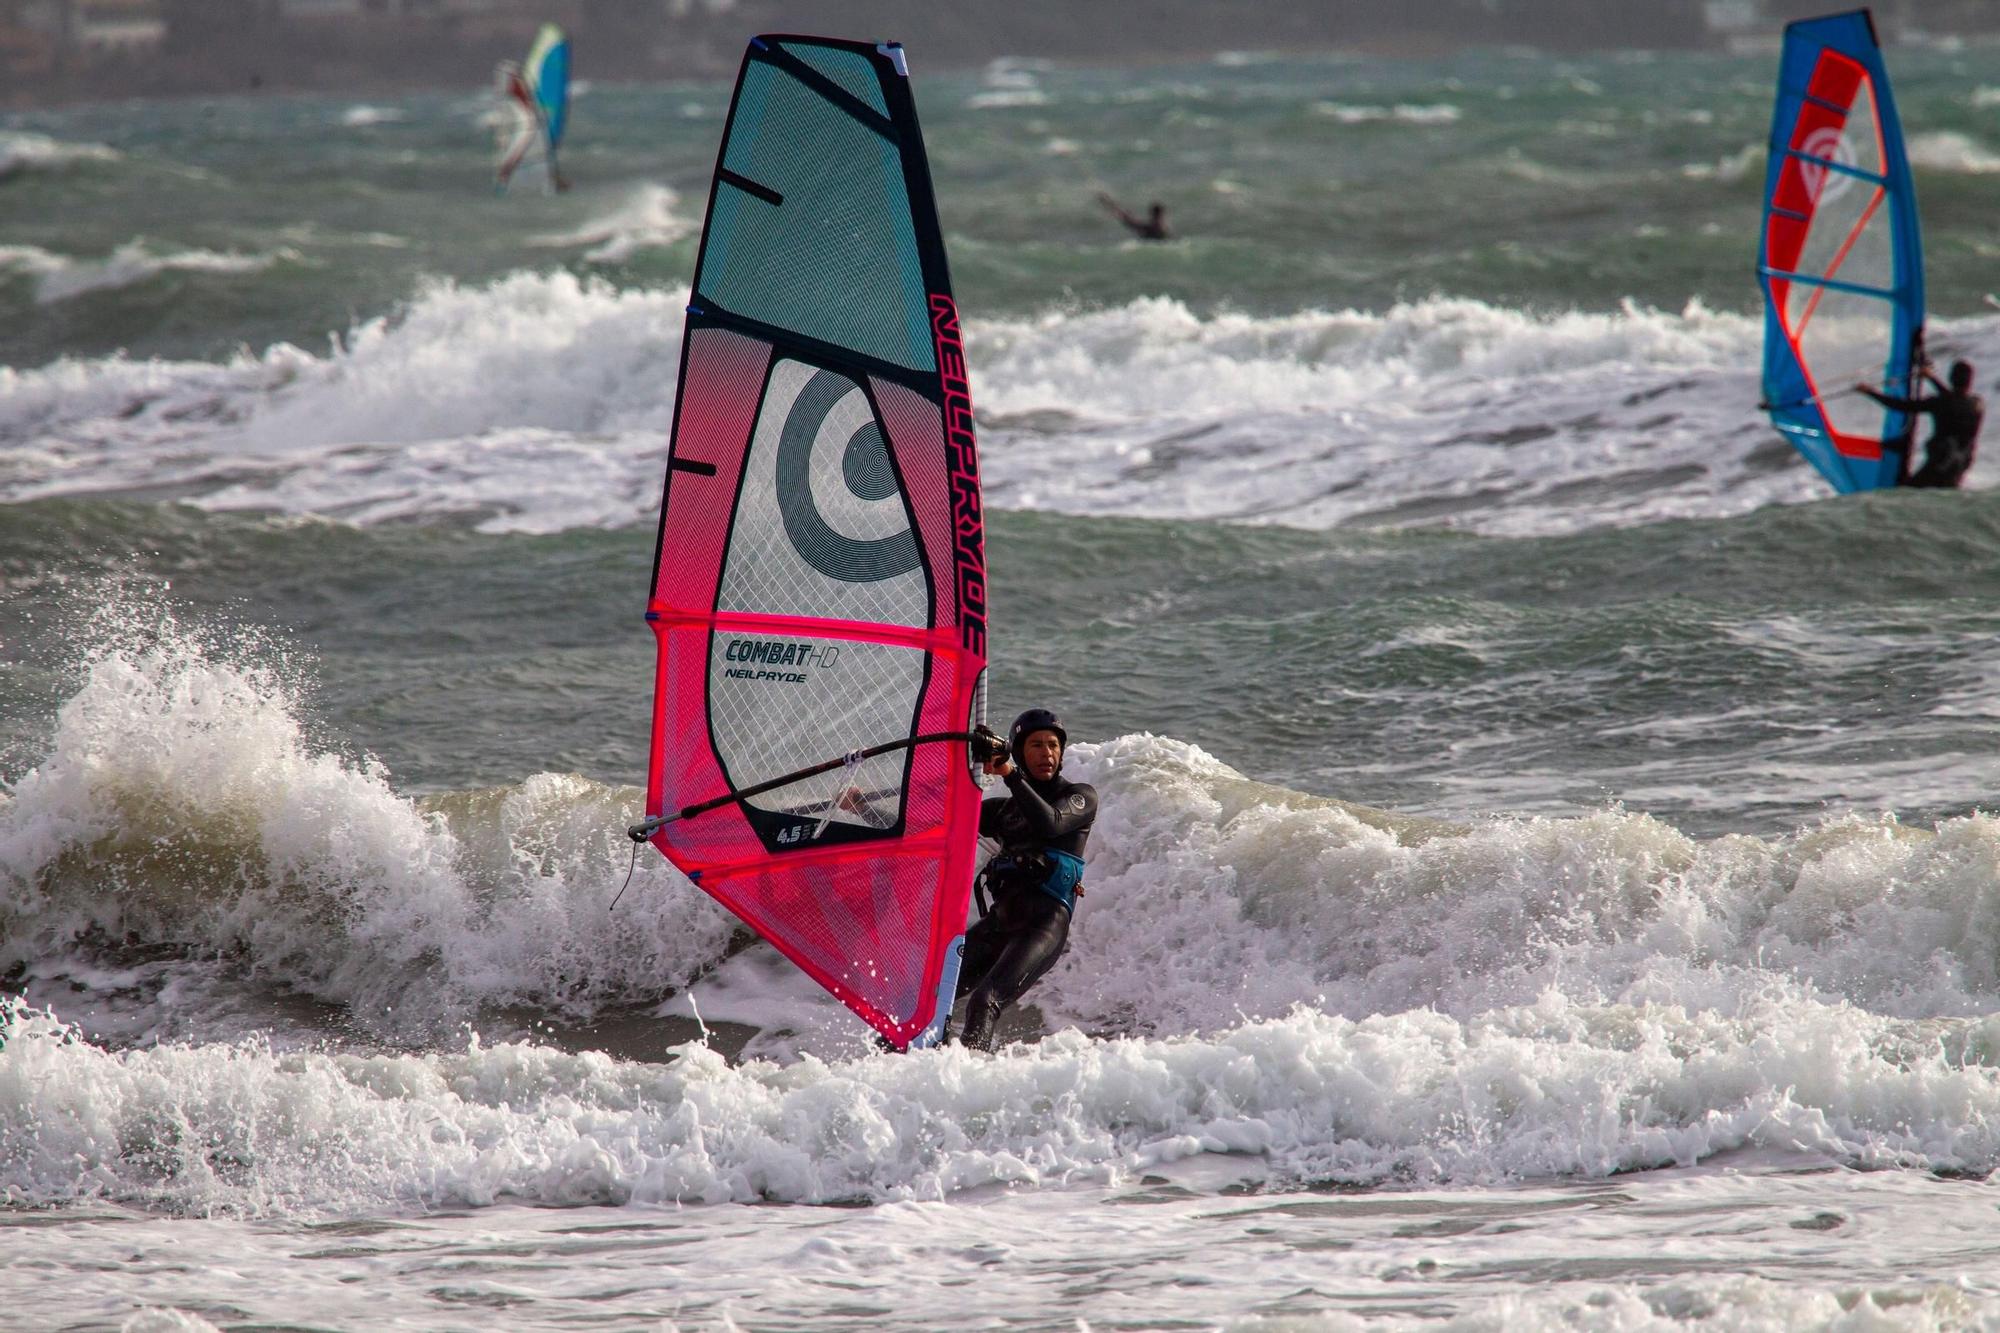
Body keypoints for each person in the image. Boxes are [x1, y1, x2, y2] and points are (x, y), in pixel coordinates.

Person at [953, 708, 1097, 1051]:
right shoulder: (1003, 810)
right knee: (933, 991)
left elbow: (1051, 824)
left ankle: (972, 1081)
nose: (1047, 753)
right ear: (1019, 751)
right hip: (1000, 922)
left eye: (1053, 745)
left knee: (985, 999)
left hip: (1044, 926)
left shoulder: (1080, 797)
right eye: (1036, 745)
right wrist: (861, 808)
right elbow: (937, 831)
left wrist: (1008, 772)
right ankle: (901, 1064)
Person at [1858, 359, 1983, 489]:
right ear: (1970, 381)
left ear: (1951, 378)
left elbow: (1902, 406)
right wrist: (1931, 378)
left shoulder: (1939, 402)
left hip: (1939, 463)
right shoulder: (1977, 404)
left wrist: (1870, 392)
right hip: (1961, 464)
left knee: (1906, 493)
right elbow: (1954, 401)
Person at [1096, 192, 1171, 241]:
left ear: (1152, 213)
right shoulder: (1165, 227)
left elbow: (1132, 223)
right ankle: (1109, 202)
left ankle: (1107, 201)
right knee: (1125, 214)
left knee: (1125, 215)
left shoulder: (1153, 226)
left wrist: (1115, 210)